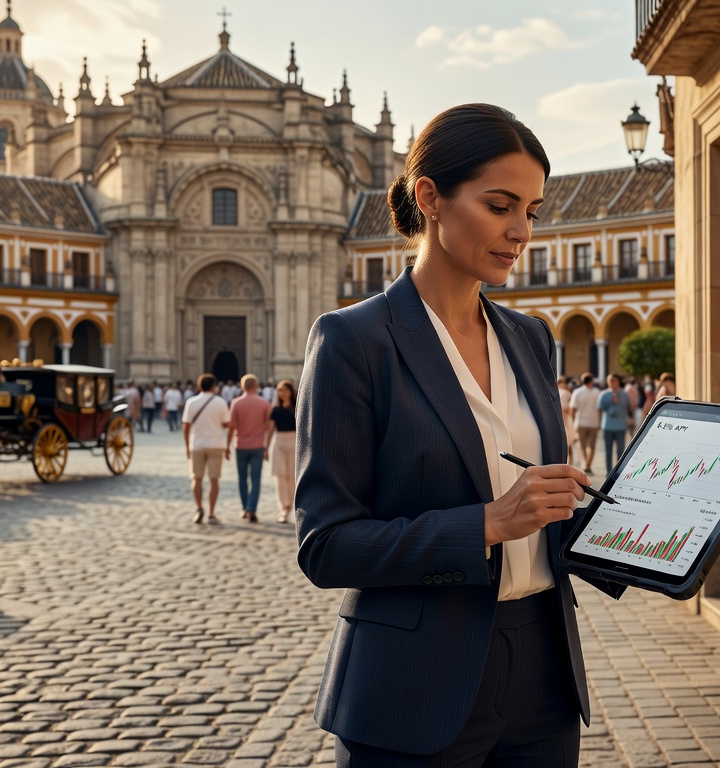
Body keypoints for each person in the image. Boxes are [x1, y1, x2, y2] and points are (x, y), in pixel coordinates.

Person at [296, 103, 624, 767]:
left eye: (531, 211)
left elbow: (541, 515)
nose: (520, 230)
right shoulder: (354, 340)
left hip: (543, 674)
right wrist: (484, 524)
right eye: (500, 205)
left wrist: (640, 533)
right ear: (430, 198)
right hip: (410, 683)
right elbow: (326, 546)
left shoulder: (529, 337)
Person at [182, 373, 231, 524]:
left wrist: (186, 446)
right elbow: (226, 424)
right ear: (214, 386)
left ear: (199, 386)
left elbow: (186, 426)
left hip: (197, 445)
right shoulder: (221, 402)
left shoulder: (191, 402)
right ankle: (211, 513)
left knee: (196, 479)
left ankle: (198, 508)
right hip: (216, 445)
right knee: (214, 480)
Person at [226, 374, 271, 523]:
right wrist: (267, 446)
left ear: (243, 386)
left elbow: (231, 427)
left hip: (241, 445)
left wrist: (227, 446)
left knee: (242, 478)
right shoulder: (264, 403)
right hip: (258, 445)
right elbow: (268, 426)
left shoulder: (236, 403)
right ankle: (252, 508)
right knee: (256, 480)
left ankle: (245, 507)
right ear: (256, 386)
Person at [266, 379, 297, 524]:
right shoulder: (276, 410)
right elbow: (270, 430)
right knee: (280, 476)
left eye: (285, 389)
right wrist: (265, 448)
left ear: (291, 391)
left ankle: (294, 506)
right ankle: (284, 507)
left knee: (293, 477)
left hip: (295, 443)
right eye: (279, 390)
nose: (282, 393)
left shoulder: (297, 408)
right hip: (279, 443)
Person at [597, 374, 630, 477]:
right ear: (608, 382)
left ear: (618, 382)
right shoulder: (604, 395)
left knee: (620, 451)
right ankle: (609, 472)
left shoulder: (624, 394)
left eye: (615, 381)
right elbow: (599, 408)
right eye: (611, 381)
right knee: (608, 451)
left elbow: (628, 407)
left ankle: (618, 471)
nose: (613, 383)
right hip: (608, 426)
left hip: (620, 426)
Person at [568, 372, 601, 474]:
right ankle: (588, 464)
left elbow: (572, 409)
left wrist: (572, 422)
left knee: (582, 445)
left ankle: (584, 464)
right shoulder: (597, 392)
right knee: (592, 445)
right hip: (594, 422)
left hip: (580, 422)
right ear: (591, 381)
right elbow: (599, 408)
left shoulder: (577, 392)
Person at [556, 377, 577, 464]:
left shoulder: (557, 392)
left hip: (560, 419)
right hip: (566, 419)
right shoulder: (566, 393)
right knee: (568, 443)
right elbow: (570, 408)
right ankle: (569, 463)